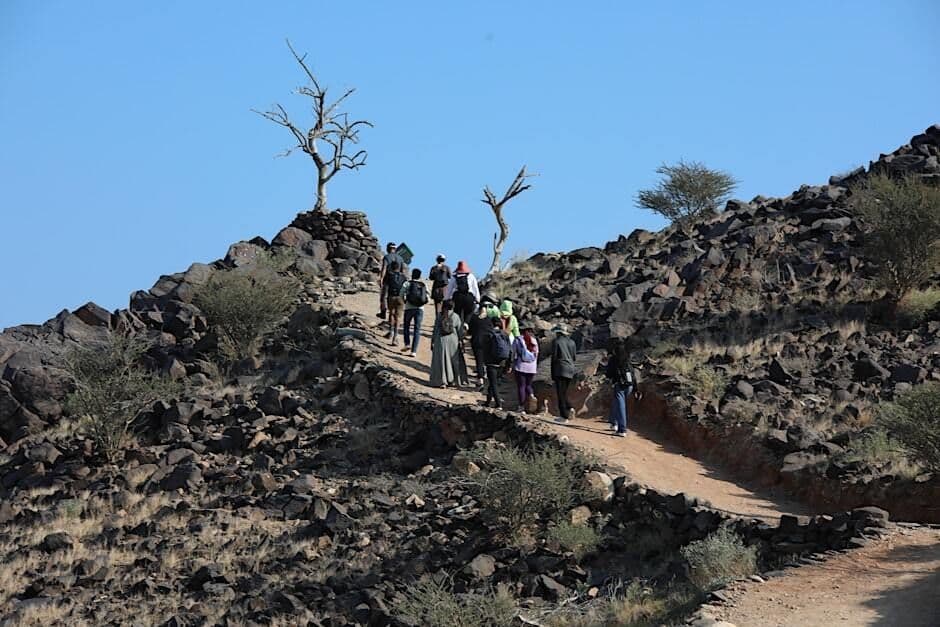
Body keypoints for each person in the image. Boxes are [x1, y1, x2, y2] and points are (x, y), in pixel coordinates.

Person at [605, 338, 639, 437]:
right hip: (630, 386)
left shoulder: (614, 359)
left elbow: (609, 373)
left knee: (620, 406)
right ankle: (613, 423)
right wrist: (636, 389)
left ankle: (622, 429)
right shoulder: (627, 359)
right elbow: (633, 375)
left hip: (619, 385)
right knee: (617, 403)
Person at [430, 300, 463, 388]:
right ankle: (452, 381)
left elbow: (435, 329)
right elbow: (460, 330)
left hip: (440, 340)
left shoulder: (439, 316)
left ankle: (442, 381)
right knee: (452, 361)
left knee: (441, 361)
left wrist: (432, 341)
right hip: (453, 340)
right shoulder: (456, 316)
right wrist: (460, 340)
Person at [482, 317, 512, 409]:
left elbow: (485, 349)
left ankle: (499, 403)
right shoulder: (505, 334)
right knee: (493, 383)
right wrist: (509, 364)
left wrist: (484, 361)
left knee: (493, 383)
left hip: (491, 363)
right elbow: (510, 350)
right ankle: (487, 402)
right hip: (502, 362)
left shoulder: (489, 334)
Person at [551, 324, 578, 423]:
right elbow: (574, 357)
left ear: (558, 332)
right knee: (564, 392)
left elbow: (554, 358)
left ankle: (564, 416)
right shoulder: (572, 342)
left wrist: (552, 373)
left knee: (560, 393)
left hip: (560, 369)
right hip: (570, 369)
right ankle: (569, 407)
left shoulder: (556, 342)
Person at [400, 268, 428, 357]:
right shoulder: (423, 285)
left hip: (409, 307)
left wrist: (405, 301)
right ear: (420, 276)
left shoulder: (407, 283)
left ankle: (407, 343)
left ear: (412, 274)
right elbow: (427, 296)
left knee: (406, 326)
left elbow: (401, 293)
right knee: (417, 329)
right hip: (420, 309)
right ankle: (414, 351)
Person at [511, 322, 539, 411]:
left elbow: (513, 353)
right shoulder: (534, 340)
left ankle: (521, 407)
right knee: (528, 385)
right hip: (532, 367)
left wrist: (512, 364)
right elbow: (536, 354)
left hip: (521, 366)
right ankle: (531, 395)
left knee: (521, 386)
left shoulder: (518, 340)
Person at [446, 261, 480, 325]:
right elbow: (475, 288)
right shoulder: (471, 276)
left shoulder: (454, 277)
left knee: (457, 313)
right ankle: (466, 323)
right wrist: (478, 299)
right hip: (468, 297)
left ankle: (458, 327)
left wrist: (446, 299)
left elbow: (449, 289)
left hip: (457, 297)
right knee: (469, 312)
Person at [378, 242, 405, 319]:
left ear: (388, 249)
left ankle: (383, 312)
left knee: (384, 296)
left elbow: (384, 269)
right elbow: (402, 271)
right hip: (398, 280)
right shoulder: (400, 258)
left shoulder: (387, 257)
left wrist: (381, 279)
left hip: (388, 279)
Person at [468, 307, 492, 387]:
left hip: (476, 341)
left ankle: (480, 378)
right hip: (487, 342)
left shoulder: (474, 318)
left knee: (479, 360)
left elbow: (470, 330)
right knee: (487, 360)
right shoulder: (489, 320)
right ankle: (487, 376)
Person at [385, 262, 407, 346]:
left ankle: (390, 331)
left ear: (391, 267)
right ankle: (395, 337)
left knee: (391, 313)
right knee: (398, 317)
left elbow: (385, 288)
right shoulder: (403, 277)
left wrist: (382, 299)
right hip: (400, 298)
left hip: (391, 297)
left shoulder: (389, 275)